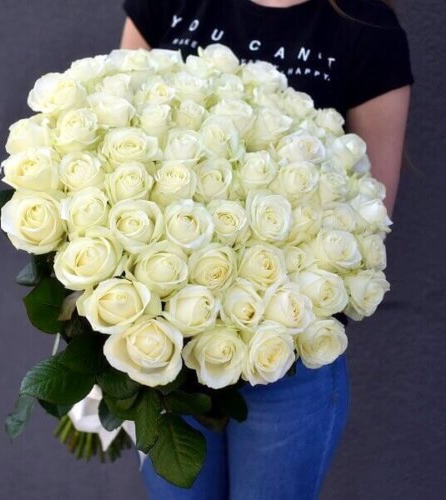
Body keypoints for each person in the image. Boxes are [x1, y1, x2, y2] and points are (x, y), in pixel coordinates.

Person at [119, 1, 413, 498]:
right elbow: (119, 131)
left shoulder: (367, 28)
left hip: (285, 352)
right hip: (162, 350)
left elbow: (370, 215)